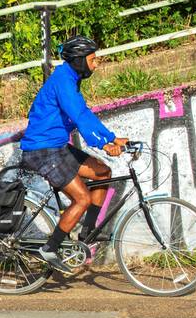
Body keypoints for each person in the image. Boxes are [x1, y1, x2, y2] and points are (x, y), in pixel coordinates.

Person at [18, 35, 129, 274]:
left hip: (56, 146)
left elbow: (84, 114)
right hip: (42, 150)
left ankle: (87, 231)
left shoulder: (70, 78)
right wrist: (104, 143)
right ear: (79, 60)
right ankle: (50, 248)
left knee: (102, 172)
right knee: (82, 199)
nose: (97, 64)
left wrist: (111, 137)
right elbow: (78, 115)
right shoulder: (63, 82)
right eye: (93, 59)